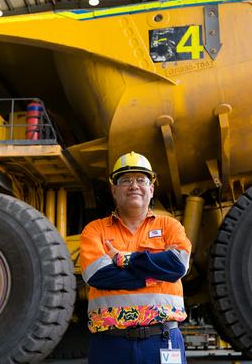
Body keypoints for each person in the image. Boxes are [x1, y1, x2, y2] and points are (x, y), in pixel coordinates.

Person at [80, 151, 191, 364]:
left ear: (151, 188)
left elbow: (177, 266)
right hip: (109, 345)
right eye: (125, 180)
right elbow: (99, 275)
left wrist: (125, 260)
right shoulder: (95, 230)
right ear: (114, 190)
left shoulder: (170, 226)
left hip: (162, 340)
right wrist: (154, 276)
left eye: (141, 179)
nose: (134, 185)